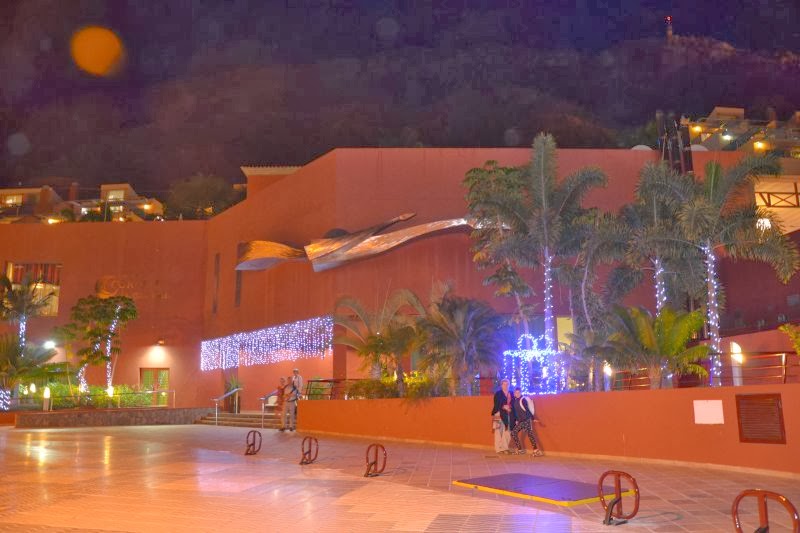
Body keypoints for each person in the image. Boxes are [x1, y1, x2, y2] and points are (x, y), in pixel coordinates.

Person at [510, 388, 543, 456]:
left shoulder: (523, 400)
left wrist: (533, 418)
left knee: (529, 434)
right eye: (516, 393)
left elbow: (527, 410)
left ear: (521, 393)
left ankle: (535, 450)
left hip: (526, 420)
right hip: (521, 421)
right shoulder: (515, 401)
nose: (517, 394)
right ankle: (521, 450)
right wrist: (517, 420)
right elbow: (517, 412)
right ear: (514, 394)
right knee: (514, 433)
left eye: (518, 392)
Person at [491, 379, 513, 454]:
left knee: (507, 431)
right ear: (501, 385)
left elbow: (513, 403)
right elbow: (496, 404)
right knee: (498, 431)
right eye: (504, 384)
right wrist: (503, 406)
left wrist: (510, 407)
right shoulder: (498, 393)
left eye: (507, 384)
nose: (506, 386)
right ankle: (499, 449)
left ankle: (505, 448)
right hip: (498, 414)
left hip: (508, 414)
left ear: (509, 385)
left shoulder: (511, 393)